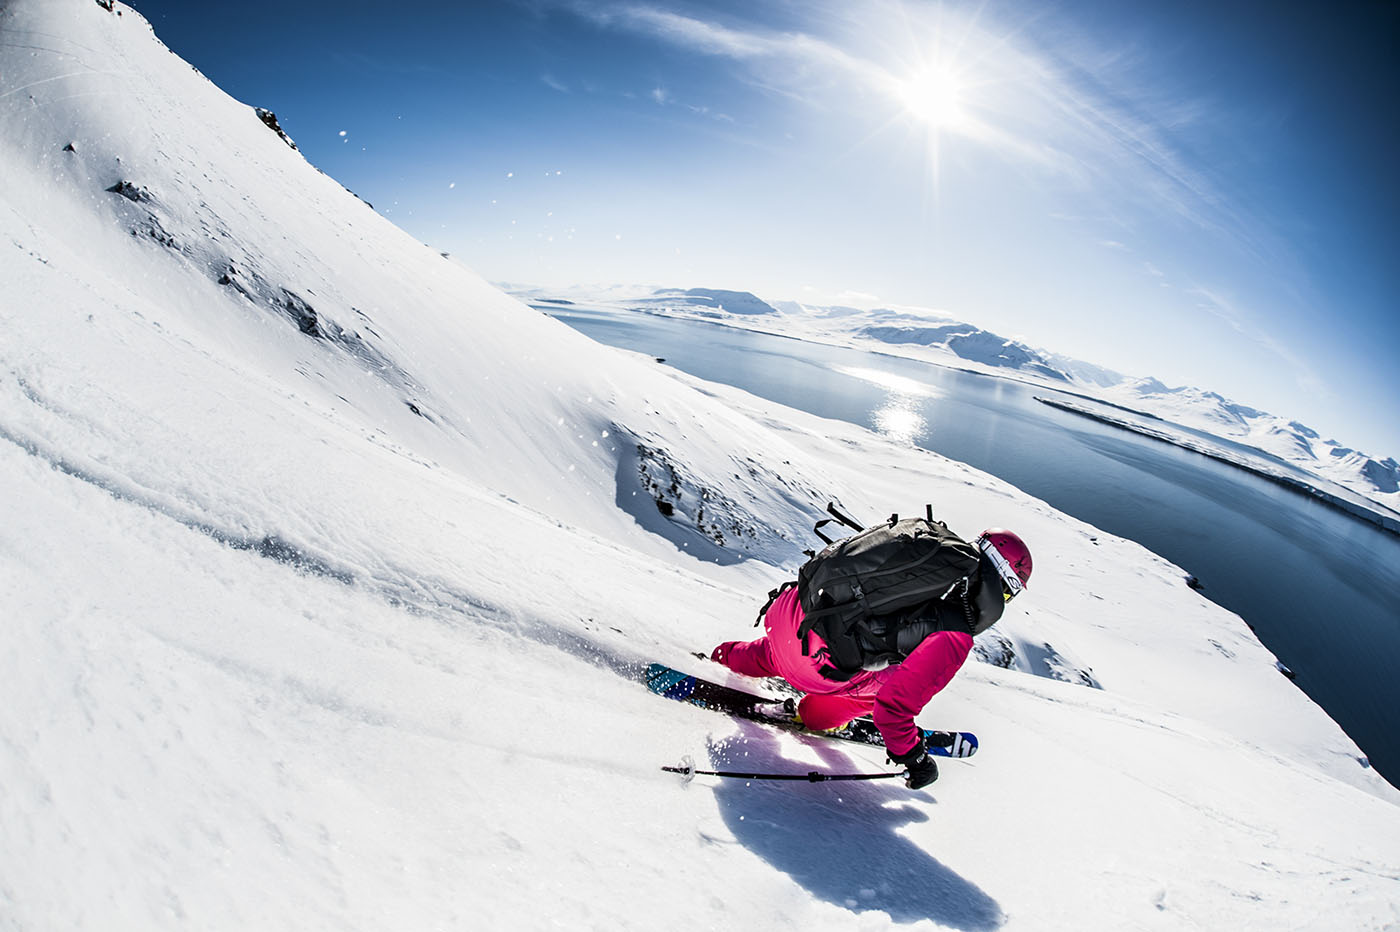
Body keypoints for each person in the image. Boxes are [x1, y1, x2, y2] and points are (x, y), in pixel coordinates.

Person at [709, 528, 1032, 789]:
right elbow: (893, 709)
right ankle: (813, 712)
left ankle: (721, 656)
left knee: (777, 652)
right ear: (1000, 584)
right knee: (880, 685)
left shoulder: (928, 554)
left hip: (790, 610)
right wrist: (915, 760)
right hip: (813, 666)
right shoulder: (955, 631)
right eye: (1007, 593)